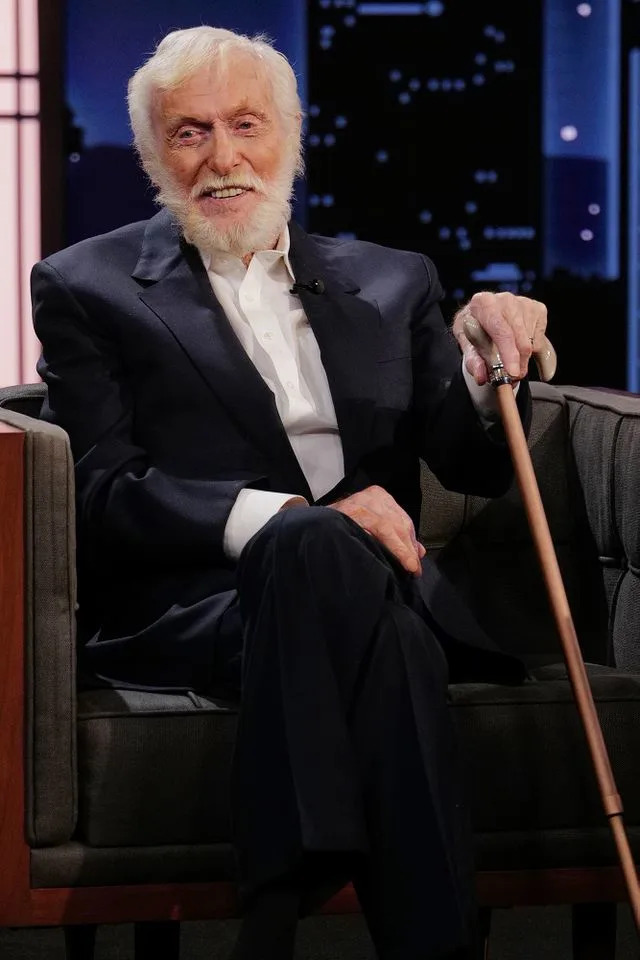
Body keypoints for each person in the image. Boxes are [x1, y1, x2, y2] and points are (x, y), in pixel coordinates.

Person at [31, 26, 547, 960]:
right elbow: (102, 492)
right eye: (190, 132)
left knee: (356, 593)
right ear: (154, 156)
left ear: (291, 137)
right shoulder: (85, 286)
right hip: (204, 604)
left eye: (245, 124)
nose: (222, 157)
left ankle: (276, 900)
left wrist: (488, 368)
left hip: (369, 588)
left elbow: (471, 464)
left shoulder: (393, 281)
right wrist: (292, 518)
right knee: (343, 580)